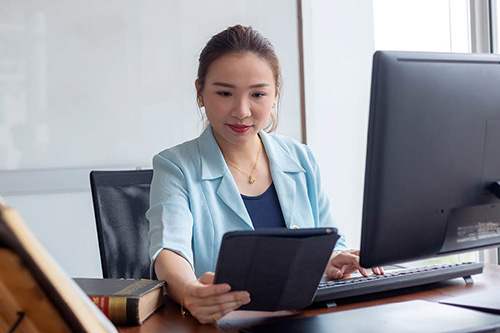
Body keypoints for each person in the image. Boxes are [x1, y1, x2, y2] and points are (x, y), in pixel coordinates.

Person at [146, 25, 383, 325]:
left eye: (258, 93)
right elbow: (169, 252)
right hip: (224, 324)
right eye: (224, 93)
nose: (242, 111)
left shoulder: (300, 158)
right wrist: (189, 291)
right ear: (200, 93)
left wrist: (331, 261)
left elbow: (328, 238)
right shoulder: (175, 166)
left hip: (305, 318)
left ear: (274, 96)